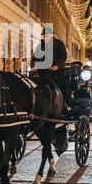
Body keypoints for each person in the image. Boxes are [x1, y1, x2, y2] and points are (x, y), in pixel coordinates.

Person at [30, 26, 69, 155]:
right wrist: (33, 66)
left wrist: (57, 65)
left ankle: (63, 105)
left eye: (47, 36)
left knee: (61, 86)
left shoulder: (59, 44)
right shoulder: (40, 46)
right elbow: (34, 58)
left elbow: (63, 56)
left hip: (54, 73)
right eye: (44, 36)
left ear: (52, 35)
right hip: (41, 73)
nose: (45, 38)